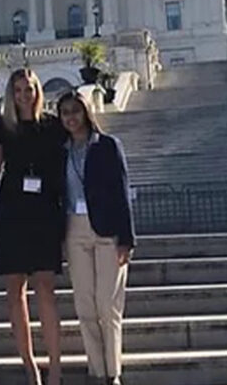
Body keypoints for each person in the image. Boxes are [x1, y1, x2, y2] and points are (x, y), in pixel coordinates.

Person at [0, 69, 65, 385]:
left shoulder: (52, 126)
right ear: (11, 93)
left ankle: (56, 364)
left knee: (46, 288)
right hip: (12, 212)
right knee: (14, 292)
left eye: (29, 89)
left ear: (37, 91)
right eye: (18, 90)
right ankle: (30, 365)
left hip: (45, 210)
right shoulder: (1, 128)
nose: (24, 95)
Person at [57, 91, 135, 385]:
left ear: (87, 112)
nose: (71, 117)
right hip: (74, 228)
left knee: (107, 304)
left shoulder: (107, 146)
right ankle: (97, 369)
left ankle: (113, 372)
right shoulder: (61, 151)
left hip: (107, 229)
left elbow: (122, 192)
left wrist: (126, 239)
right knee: (85, 305)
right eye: (65, 112)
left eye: (75, 111)